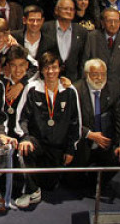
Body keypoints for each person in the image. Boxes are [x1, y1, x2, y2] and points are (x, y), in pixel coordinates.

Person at [14, 53, 82, 198]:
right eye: (46, 68)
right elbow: (22, 118)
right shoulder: (32, 88)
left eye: (54, 67)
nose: (50, 72)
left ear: (60, 69)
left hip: (57, 147)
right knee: (25, 148)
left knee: (50, 185)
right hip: (37, 143)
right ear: (41, 70)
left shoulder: (70, 91)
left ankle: (38, 182)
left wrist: (70, 148)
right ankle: (31, 191)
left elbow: (75, 122)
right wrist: (25, 137)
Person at [70, 59, 120, 199]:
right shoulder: (75, 90)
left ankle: (97, 180)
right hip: (81, 143)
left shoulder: (113, 89)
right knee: (73, 184)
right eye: (95, 74)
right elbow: (69, 122)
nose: (99, 78)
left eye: (103, 74)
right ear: (86, 74)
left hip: (104, 143)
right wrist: (89, 134)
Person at [82, 8, 120, 109]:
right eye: (109, 21)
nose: (113, 24)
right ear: (102, 22)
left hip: (117, 91)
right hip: (95, 87)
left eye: (116, 21)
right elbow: (84, 63)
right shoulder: (92, 37)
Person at [41, 0, 88, 81]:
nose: (69, 11)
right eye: (65, 9)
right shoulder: (45, 28)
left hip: (72, 80)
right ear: (56, 10)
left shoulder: (81, 31)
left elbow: (82, 58)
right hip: (48, 78)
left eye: (72, 9)